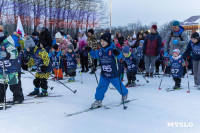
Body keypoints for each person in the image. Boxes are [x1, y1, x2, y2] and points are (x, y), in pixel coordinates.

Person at [85, 32, 128, 108]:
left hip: (113, 73)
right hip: (104, 74)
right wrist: (90, 50)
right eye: (101, 41)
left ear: (108, 41)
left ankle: (124, 94)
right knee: (101, 87)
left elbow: (120, 56)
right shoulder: (100, 50)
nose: (102, 43)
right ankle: (98, 100)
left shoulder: (113, 49)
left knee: (118, 85)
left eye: (104, 41)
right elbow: (94, 55)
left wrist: (117, 53)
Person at [0, 35, 24, 104]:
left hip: (12, 68)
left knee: (14, 84)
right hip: (2, 68)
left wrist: (6, 54)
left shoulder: (8, 44)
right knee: (1, 85)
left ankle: (18, 98)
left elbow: (15, 53)